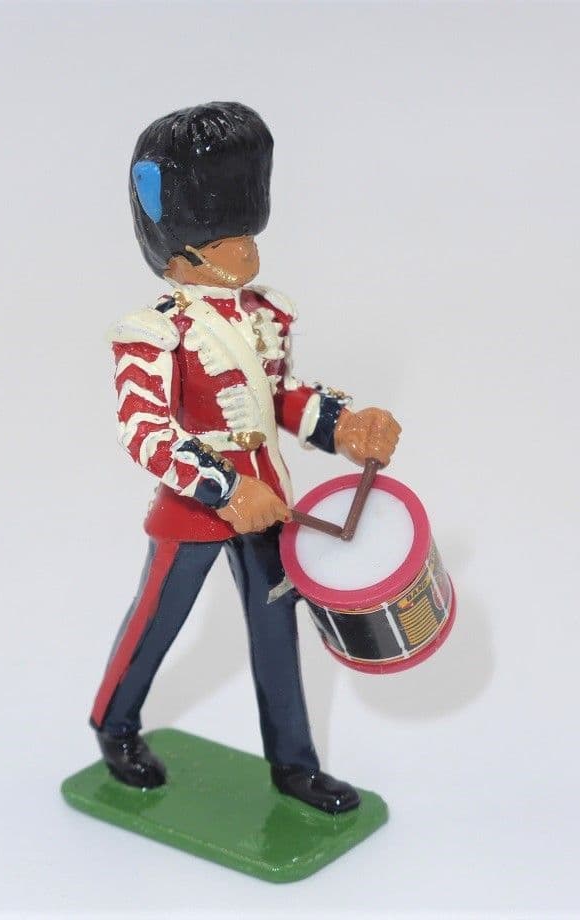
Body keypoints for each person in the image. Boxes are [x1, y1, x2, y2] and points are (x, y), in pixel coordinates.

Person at [89, 102, 401, 814]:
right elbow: (145, 431)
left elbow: (279, 397)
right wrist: (225, 489)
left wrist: (346, 427)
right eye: (229, 241)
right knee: (156, 623)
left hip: (269, 502)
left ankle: (294, 765)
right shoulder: (153, 333)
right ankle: (115, 724)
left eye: (245, 235)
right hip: (197, 508)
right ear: (182, 253)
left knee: (276, 634)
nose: (247, 252)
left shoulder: (265, 315)